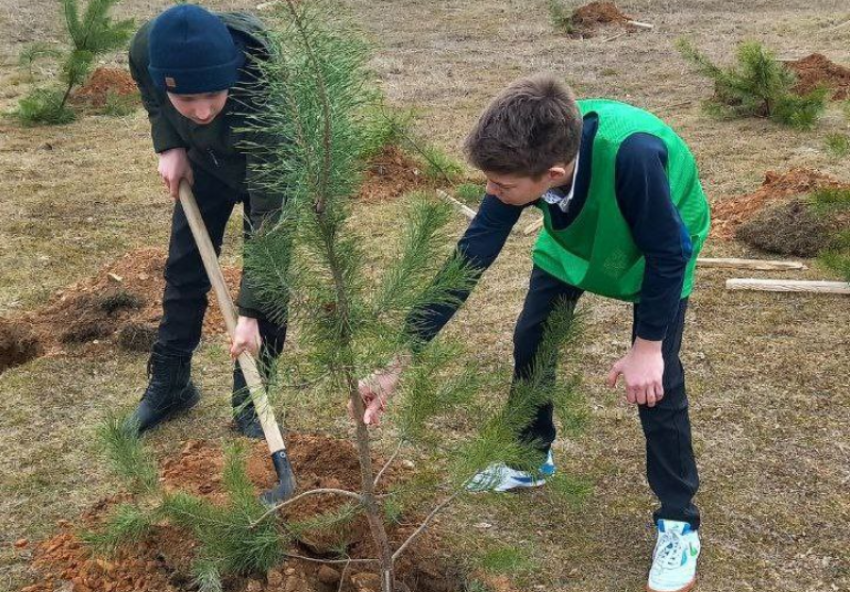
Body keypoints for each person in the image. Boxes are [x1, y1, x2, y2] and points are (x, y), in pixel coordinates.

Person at [355, 74, 710, 592]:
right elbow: (471, 254)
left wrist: (647, 348)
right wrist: (397, 363)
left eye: (502, 187)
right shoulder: (525, 158)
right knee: (533, 339)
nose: (491, 193)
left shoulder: (632, 158)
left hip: (656, 246)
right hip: (573, 241)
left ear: (552, 173)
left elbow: (666, 252)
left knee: (655, 385)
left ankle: (679, 521)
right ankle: (529, 456)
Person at [127, 4, 285, 438]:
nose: (200, 111)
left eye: (213, 95)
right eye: (186, 99)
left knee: (267, 292)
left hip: (267, 169)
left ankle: (253, 401)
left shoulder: (264, 89)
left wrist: (250, 312)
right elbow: (151, 95)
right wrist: (168, 145)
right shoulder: (146, 49)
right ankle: (172, 383)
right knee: (184, 268)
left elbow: (272, 219)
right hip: (204, 163)